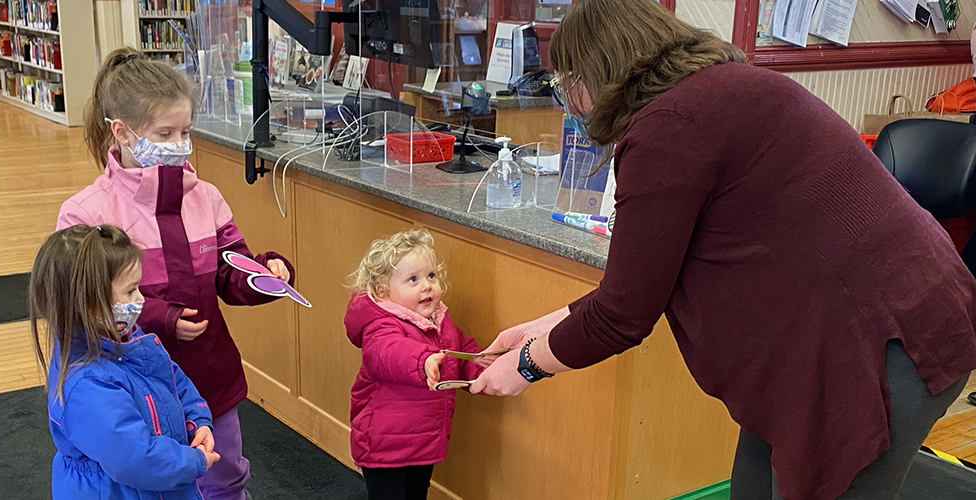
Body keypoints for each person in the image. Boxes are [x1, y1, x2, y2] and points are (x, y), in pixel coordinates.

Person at [470, 1, 976, 499]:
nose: (567, 99)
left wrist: (526, 366)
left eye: (564, 83)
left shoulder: (669, 128)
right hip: (841, 333)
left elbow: (623, 315)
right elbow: (638, 282)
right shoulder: (725, 87)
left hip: (883, 344)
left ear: (597, 69)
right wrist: (540, 330)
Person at [56, 47, 295, 500]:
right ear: (121, 132)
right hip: (130, 385)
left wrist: (264, 274)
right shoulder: (86, 214)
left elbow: (231, 268)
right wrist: (161, 318)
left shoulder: (205, 196)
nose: (179, 144)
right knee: (152, 483)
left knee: (225, 478)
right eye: (164, 133)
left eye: (185, 131)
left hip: (209, 372)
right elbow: (84, 306)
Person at [30, 224, 219, 499]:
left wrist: (197, 420)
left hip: (161, 484)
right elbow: (135, 458)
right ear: (88, 304)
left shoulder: (128, 337)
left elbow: (173, 380)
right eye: (130, 291)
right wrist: (195, 462)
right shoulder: (85, 383)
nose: (140, 299)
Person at [345, 229, 487, 500]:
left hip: (424, 441)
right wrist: (423, 361)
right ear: (383, 292)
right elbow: (387, 353)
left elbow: (458, 351)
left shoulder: (439, 319)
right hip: (384, 446)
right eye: (413, 279)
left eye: (431, 276)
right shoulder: (380, 324)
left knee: (417, 494)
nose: (426, 286)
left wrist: (482, 364)